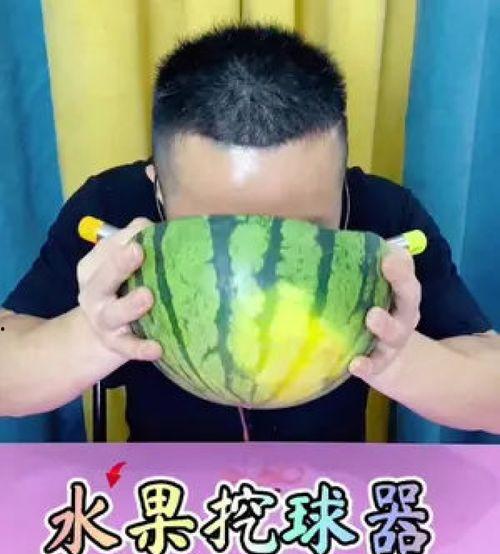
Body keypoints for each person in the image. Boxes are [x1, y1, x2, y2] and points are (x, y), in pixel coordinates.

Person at [1, 25, 499, 442]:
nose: (258, 259)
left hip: (323, 502)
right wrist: (93, 335)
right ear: (159, 190)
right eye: (218, 230)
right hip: (166, 502)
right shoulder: (115, 212)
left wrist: (399, 358)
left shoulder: (384, 219)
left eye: (303, 230)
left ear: (341, 181)